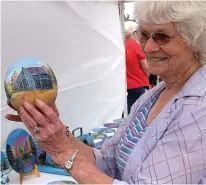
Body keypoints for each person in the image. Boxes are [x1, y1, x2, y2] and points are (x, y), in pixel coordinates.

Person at [5, 1, 206, 184]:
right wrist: (58, 133)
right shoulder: (151, 97)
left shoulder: (199, 109)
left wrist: (63, 152)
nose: (149, 46)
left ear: (194, 40)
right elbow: (108, 162)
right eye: (144, 34)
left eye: (162, 36)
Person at [124, 21, 149, 114]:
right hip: (138, 83)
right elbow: (145, 67)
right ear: (133, 33)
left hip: (124, 85)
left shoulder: (120, 45)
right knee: (138, 112)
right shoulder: (135, 45)